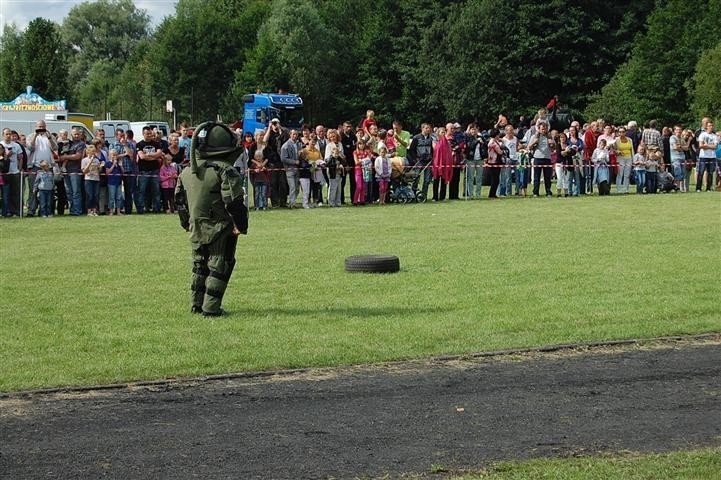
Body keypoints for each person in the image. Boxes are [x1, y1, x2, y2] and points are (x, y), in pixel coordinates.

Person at [175, 122, 248, 317]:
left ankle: (197, 304)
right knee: (220, 263)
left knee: (199, 264)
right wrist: (240, 225)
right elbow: (232, 201)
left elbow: (180, 202)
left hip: (196, 225)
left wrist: (186, 223)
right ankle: (211, 308)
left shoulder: (186, 171)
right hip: (220, 226)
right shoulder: (225, 170)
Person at [25, 120, 57, 217]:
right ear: (36, 127)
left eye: (42, 126)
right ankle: (31, 210)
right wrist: (35, 135)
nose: (41, 128)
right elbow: (30, 147)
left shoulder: (50, 136)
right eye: (39, 126)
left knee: (48, 189)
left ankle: (45, 211)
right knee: (33, 189)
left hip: (48, 167)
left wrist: (50, 138)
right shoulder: (31, 136)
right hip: (35, 166)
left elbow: (55, 148)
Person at [59, 128, 86, 216]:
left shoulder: (81, 144)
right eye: (75, 134)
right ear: (71, 135)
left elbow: (78, 156)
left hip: (75, 171)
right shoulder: (68, 143)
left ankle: (77, 211)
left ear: (80, 135)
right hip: (66, 171)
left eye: (78, 134)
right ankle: (72, 209)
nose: (76, 136)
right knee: (69, 192)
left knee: (76, 192)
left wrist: (65, 157)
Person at [264, 118, 289, 208]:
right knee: (273, 183)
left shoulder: (282, 132)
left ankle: (283, 202)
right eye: (273, 123)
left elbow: (286, 137)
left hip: (281, 160)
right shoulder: (269, 133)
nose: (275, 125)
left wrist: (279, 127)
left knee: (283, 182)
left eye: (276, 123)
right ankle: (275, 203)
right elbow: (264, 140)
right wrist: (269, 127)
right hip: (272, 161)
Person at [528, 122, 555, 197]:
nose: (544, 130)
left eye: (545, 128)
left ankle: (548, 192)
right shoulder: (534, 136)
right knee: (537, 177)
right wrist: (534, 143)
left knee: (547, 177)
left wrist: (552, 143)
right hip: (537, 158)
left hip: (547, 158)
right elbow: (529, 147)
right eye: (542, 129)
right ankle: (535, 192)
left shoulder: (549, 136)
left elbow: (554, 148)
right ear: (539, 129)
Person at [407, 123, 434, 199]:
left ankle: (423, 195)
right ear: (422, 129)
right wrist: (415, 159)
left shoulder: (431, 138)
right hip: (419, 161)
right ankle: (412, 194)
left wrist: (432, 157)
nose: (428, 129)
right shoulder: (416, 138)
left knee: (427, 180)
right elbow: (411, 150)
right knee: (416, 178)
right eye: (426, 128)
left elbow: (432, 149)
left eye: (429, 128)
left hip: (428, 161)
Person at [0, 128, 22, 217]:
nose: (9, 136)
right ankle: (6, 211)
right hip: (3, 173)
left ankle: (16, 211)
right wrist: (6, 156)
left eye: (10, 134)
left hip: (14, 172)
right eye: (7, 134)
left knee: (15, 193)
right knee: (5, 194)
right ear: (3, 135)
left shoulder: (16, 145)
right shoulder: (1, 145)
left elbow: (20, 158)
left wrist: (19, 169)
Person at [281, 130, 300, 208]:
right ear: (290, 135)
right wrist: (294, 162)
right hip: (289, 169)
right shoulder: (285, 146)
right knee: (292, 187)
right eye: (293, 134)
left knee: (297, 188)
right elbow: (283, 159)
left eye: (296, 134)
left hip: (297, 169)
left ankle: (293, 201)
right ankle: (292, 204)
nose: (295, 136)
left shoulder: (298, 144)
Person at [697, 121, 718, 192]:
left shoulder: (714, 136)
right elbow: (700, 146)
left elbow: (715, 147)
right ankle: (698, 188)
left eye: (712, 125)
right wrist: (709, 146)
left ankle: (708, 188)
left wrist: (706, 145)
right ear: (706, 127)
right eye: (709, 126)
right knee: (701, 172)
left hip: (712, 157)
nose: (711, 127)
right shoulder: (702, 135)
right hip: (703, 156)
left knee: (710, 173)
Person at [81, 144, 101, 216]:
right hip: (88, 179)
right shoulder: (84, 160)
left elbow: (99, 171)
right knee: (89, 195)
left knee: (96, 195)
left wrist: (101, 167)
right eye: (92, 151)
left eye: (94, 151)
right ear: (88, 152)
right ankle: (89, 211)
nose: (94, 153)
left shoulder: (97, 160)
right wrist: (90, 162)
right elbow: (84, 171)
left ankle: (94, 211)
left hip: (96, 179)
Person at [615, 126, 635, 194]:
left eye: (623, 132)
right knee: (620, 174)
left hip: (629, 158)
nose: (621, 133)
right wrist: (617, 152)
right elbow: (614, 149)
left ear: (625, 132)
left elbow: (632, 149)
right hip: (620, 158)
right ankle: (618, 189)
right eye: (620, 132)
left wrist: (633, 159)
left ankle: (626, 189)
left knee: (627, 174)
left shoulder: (629, 140)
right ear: (618, 133)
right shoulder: (616, 140)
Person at [105, 150, 124, 215]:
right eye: (113, 155)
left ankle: (118, 211)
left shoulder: (118, 163)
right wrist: (113, 164)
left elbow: (123, 172)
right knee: (112, 197)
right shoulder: (107, 163)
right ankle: (111, 211)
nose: (114, 156)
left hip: (118, 182)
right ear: (110, 155)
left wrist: (121, 166)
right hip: (111, 183)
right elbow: (107, 173)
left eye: (115, 155)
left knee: (119, 197)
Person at [486, 128, 504, 199]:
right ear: (496, 135)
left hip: (495, 162)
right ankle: (491, 194)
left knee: (496, 179)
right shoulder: (493, 143)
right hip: (493, 162)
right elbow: (500, 152)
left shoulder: (494, 141)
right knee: (495, 179)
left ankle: (493, 194)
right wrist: (503, 149)